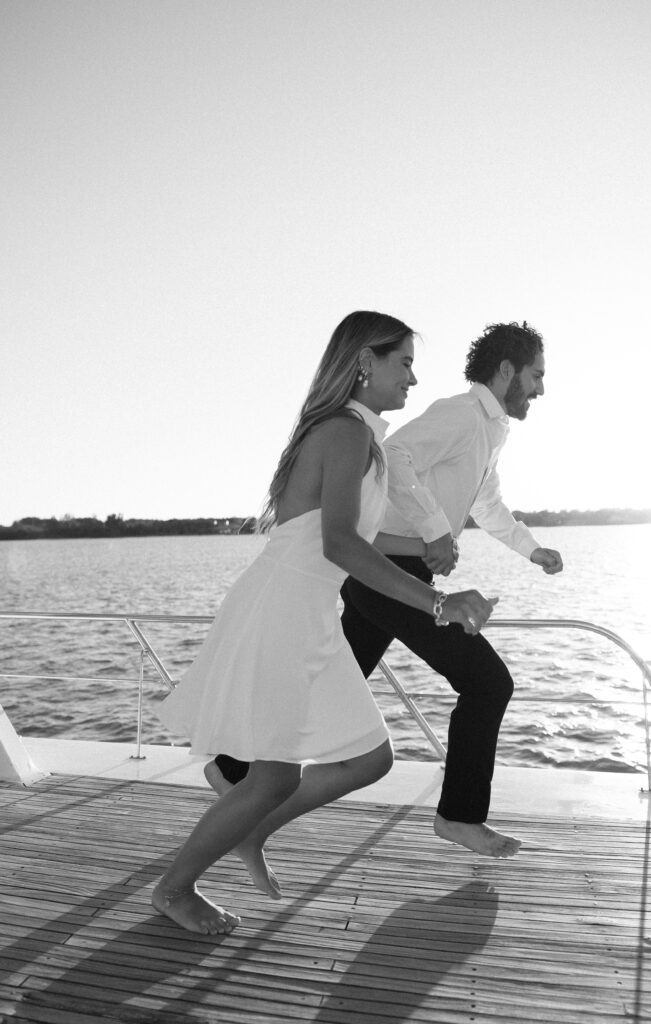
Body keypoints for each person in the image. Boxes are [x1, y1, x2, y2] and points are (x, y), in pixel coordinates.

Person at [152, 311, 498, 935]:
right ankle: (174, 889)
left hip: (311, 612)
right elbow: (340, 544)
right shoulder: (343, 432)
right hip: (283, 609)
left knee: (368, 758)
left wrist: (434, 547)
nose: (413, 380)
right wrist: (438, 603)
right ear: (366, 361)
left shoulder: (360, 439)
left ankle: (251, 833)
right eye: (404, 363)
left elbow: (354, 540)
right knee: (274, 775)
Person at [208, 321, 563, 860]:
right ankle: (460, 816)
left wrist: (531, 549)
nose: (541, 388)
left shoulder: (491, 431)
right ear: (507, 369)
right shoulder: (461, 414)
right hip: (387, 569)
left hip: (388, 568)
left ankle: (231, 767)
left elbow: (486, 503)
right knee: (488, 681)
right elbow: (394, 456)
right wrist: (433, 530)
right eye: (536, 375)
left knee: (334, 675)